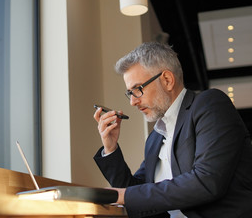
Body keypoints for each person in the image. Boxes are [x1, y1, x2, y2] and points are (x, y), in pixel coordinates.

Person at [93, 42, 252, 218]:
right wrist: (111, 148)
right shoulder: (154, 138)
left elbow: (207, 181)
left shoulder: (210, 104)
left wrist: (123, 195)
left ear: (167, 80)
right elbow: (136, 193)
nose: (133, 102)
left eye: (137, 89)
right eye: (129, 93)